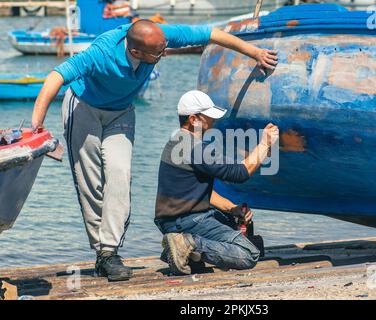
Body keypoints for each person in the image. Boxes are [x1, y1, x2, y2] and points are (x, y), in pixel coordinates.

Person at [30, 20, 278, 281]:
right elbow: (55, 77)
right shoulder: (102, 52)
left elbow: (210, 33)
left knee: (120, 175)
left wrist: (255, 53)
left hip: (121, 111)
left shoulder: (160, 36)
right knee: (90, 182)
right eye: (158, 54)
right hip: (83, 106)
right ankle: (103, 255)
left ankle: (110, 251)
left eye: (164, 49)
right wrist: (38, 124)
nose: (164, 54)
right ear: (135, 52)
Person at [154, 90, 279, 275]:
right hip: (186, 221)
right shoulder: (196, 148)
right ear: (193, 120)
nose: (213, 121)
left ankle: (182, 249)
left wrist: (231, 208)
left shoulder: (176, 142)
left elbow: (194, 191)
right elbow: (239, 172)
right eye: (208, 117)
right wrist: (264, 145)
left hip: (172, 220)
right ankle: (188, 244)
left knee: (232, 222)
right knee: (249, 253)